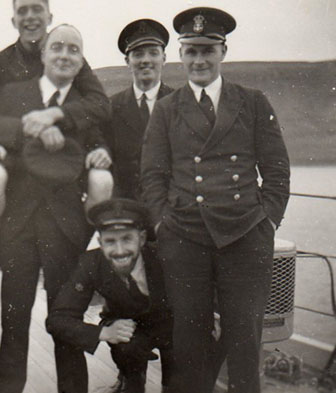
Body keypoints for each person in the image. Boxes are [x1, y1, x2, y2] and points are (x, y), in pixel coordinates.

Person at [140, 7, 290, 393]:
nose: (199, 60)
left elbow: (276, 170)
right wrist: (162, 224)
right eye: (191, 51)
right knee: (189, 340)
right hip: (185, 237)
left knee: (244, 340)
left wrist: (267, 221)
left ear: (223, 51)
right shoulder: (167, 109)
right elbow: (153, 175)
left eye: (208, 50)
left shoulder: (252, 102)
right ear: (180, 55)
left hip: (245, 236)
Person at [0, 24, 105, 393]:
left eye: (74, 50)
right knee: (13, 323)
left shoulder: (84, 103)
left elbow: (99, 139)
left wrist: (102, 152)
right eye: (57, 48)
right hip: (17, 226)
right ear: (44, 54)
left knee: (66, 322)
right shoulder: (15, 95)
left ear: (81, 61)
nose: (65, 55)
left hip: (66, 228)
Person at [0, 0, 113, 222]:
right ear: (13, 20)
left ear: (49, 17)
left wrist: (55, 114)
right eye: (22, 11)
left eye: (37, 9)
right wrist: (34, 128)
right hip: (18, 163)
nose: (30, 17)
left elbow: (100, 104)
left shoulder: (67, 56)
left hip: (62, 161)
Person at [46, 198, 174, 393]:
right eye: (110, 241)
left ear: (141, 238)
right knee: (126, 348)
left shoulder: (163, 257)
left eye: (126, 239)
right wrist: (102, 333)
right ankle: (132, 381)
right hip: (128, 334)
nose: (120, 251)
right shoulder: (91, 264)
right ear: (100, 243)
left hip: (170, 327)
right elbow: (57, 319)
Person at [105, 19, 173, 200]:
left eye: (153, 53)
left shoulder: (180, 103)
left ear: (164, 58)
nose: (145, 60)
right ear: (128, 61)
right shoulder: (111, 107)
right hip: (127, 208)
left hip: (171, 206)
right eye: (138, 54)